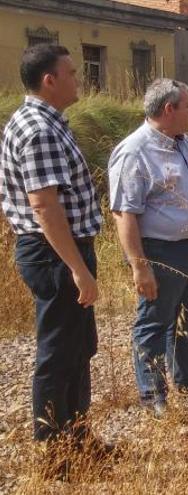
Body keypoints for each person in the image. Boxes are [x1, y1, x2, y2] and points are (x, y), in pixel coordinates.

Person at [0, 44, 112, 474]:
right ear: (50, 80)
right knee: (58, 352)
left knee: (78, 348)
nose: (78, 79)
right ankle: (54, 456)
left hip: (60, 250)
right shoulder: (39, 129)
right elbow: (45, 206)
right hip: (55, 254)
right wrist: (78, 269)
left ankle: (79, 441)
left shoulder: (44, 121)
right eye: (72, 72)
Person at [108, 79, 188, 416]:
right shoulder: (134, 152)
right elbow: (124, 213)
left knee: (185, 318)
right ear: (169, 109)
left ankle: (187, 379)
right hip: (161, 253)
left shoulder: (187, 144)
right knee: (154, 323)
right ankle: (153, 395)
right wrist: (139, 266)